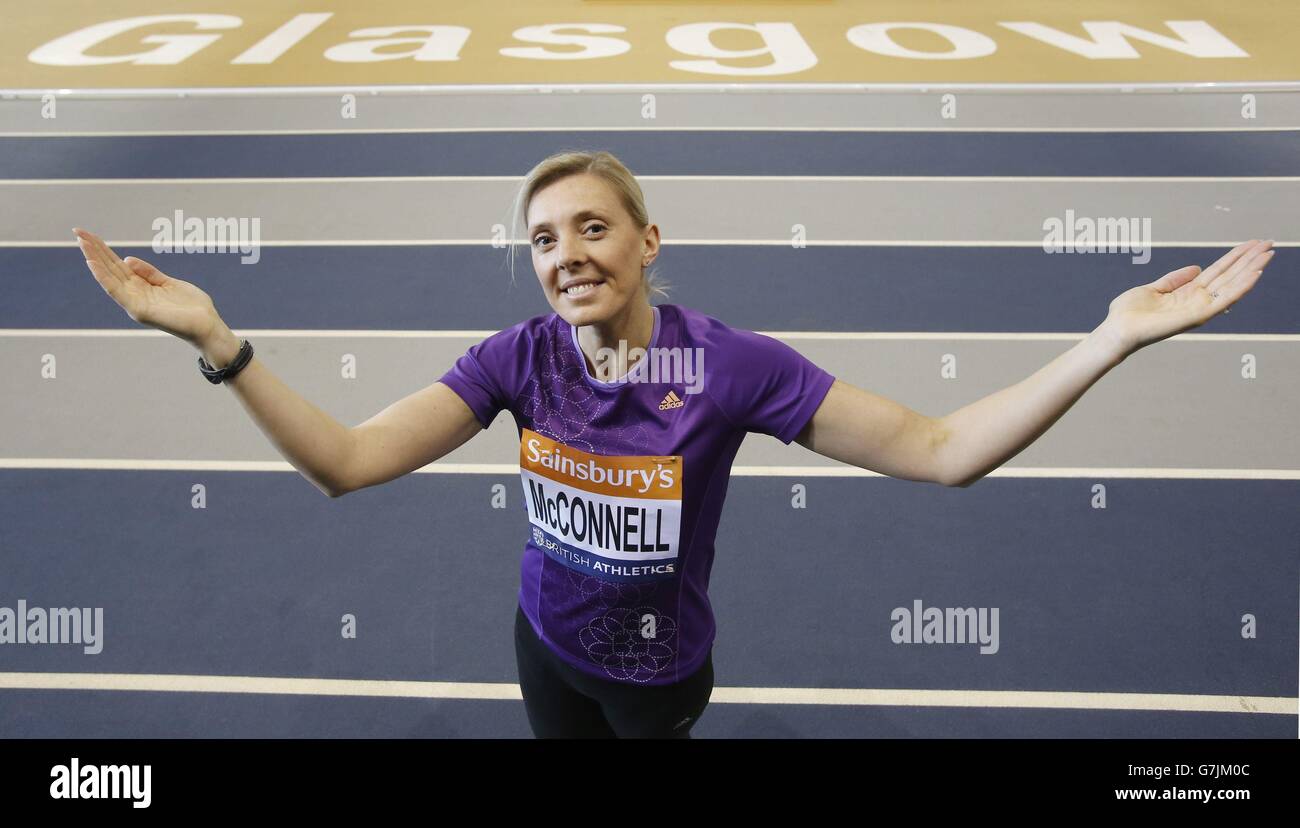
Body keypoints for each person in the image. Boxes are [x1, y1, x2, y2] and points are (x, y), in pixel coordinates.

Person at [76, 150, 1273, 739]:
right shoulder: (513, 360)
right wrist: (217, 338)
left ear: (649, 242)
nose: (565, 253)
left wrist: (1110, 337)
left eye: (592, 226)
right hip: (542, 642)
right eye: (542, 239)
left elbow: (946, 445)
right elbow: (342, 463)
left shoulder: (729, 367)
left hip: (659, 675)